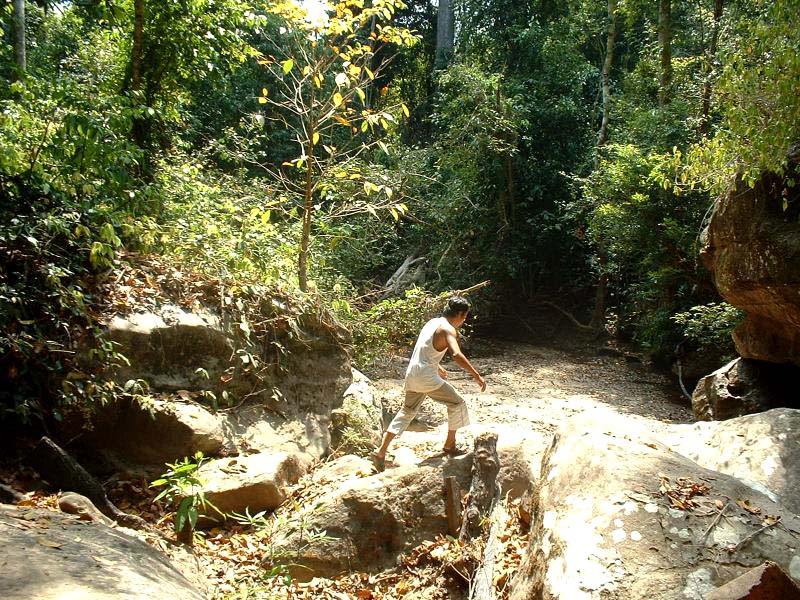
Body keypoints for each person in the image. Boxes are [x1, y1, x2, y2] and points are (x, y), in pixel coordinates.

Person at [371, 296, 486, 472]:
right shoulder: (448, 330)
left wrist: (437, 366)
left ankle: (381, 452)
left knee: (407, 411)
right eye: (464, 317)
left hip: (412, 373)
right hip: (426, 377)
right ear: (460, 314)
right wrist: (476, 375)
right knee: (457, 402)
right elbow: (456, 354)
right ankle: (449, 445)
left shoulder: (432, 323)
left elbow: (424, 348)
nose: (464, 321)